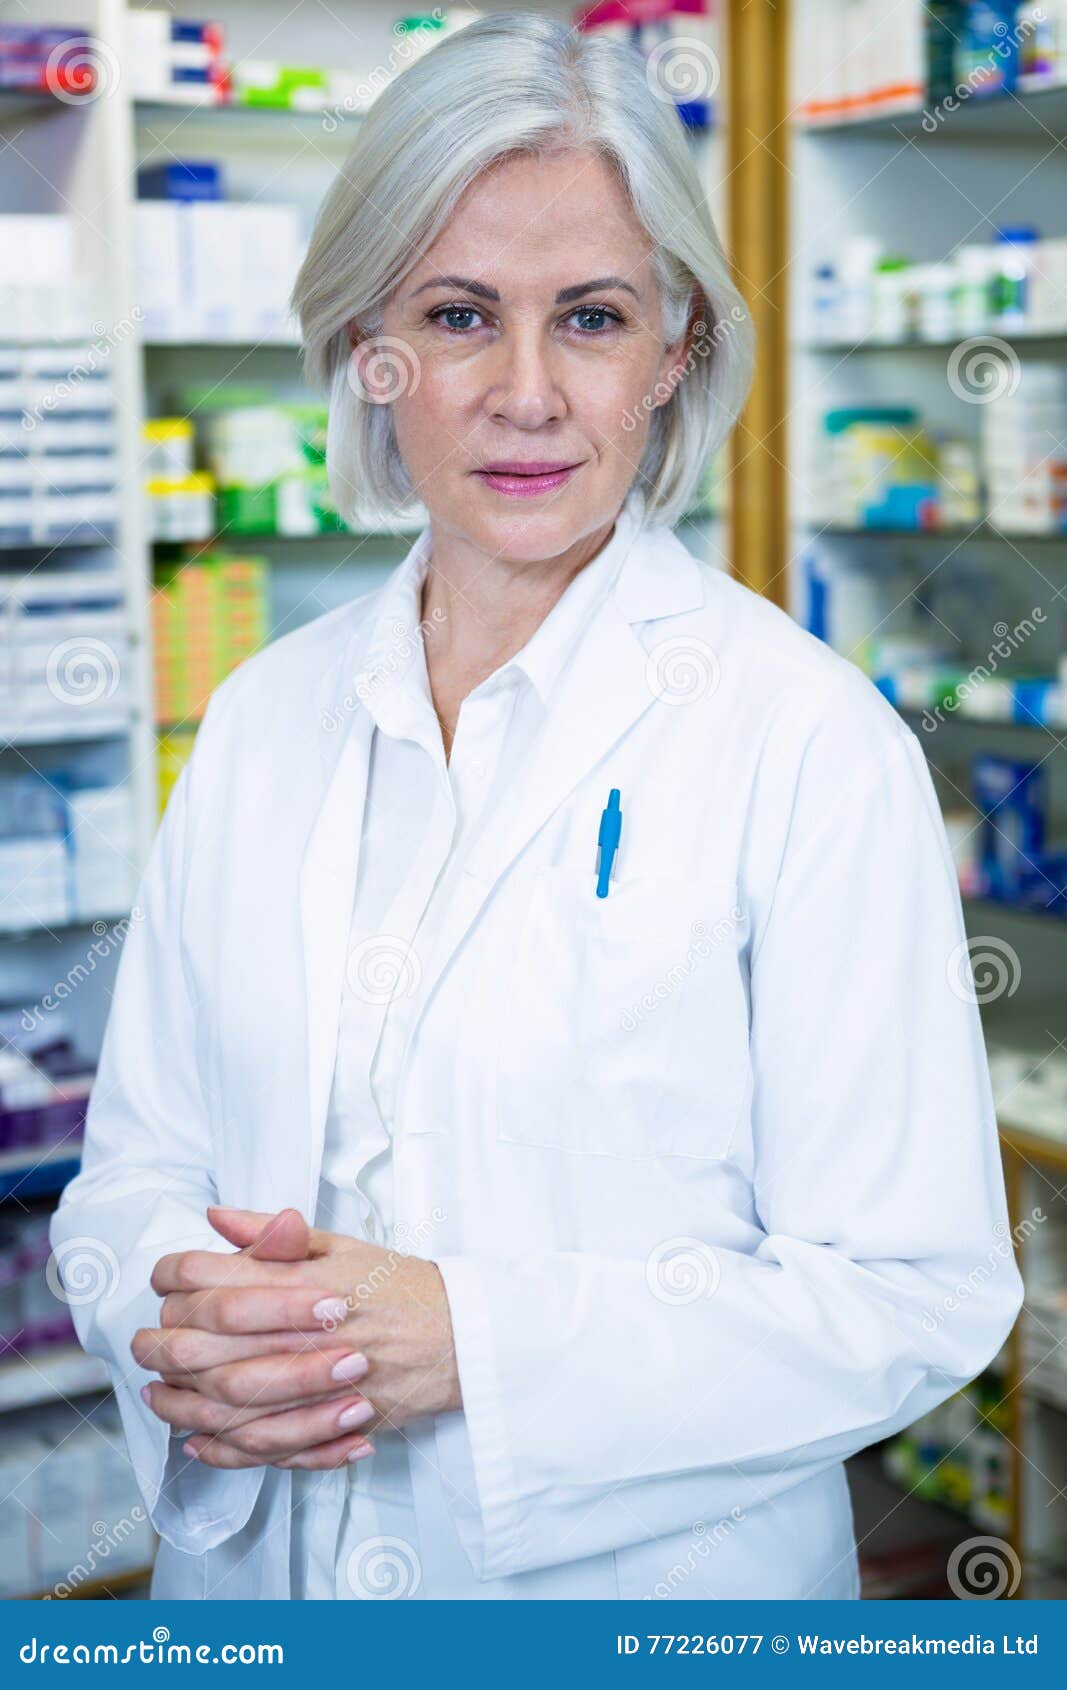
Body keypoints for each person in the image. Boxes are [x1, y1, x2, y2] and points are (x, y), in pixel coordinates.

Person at [50, 13, 1022, 1601]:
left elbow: (914, 1292)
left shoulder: (806, 744)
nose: (523, 394)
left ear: (677, 346)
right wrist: (184, 1315)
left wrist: (470, 1345)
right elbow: (137, 1161)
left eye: (589, 316)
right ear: (373, 342)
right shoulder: (257, 721)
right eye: (454, 314)